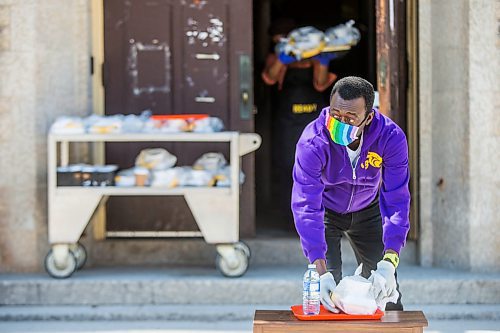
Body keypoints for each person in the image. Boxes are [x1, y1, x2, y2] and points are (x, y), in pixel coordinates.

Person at [291, 76, 410, 312]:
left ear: (368, 117)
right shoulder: (313, 142)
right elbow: (306, 204)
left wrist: (390, 259)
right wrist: (320, 270)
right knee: (331, 297)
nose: (340, 122)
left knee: (386, 295)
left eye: (350, 118)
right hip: (327, 211)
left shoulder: (391, 138)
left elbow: (397, 198)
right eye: (335, 115)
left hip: (369, 210)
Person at [262, 18, 338, 225]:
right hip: (287, 123)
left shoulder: (313, 57)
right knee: (289, 167)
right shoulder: (276, 57)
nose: (280, 43)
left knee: (317, 167)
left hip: (313, 122)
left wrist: (323, 62)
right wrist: (281, 59)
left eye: (283, 39)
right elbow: (269, 77)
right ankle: (291, 220)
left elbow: (321, 85)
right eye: (276, 41)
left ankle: (319, 219)